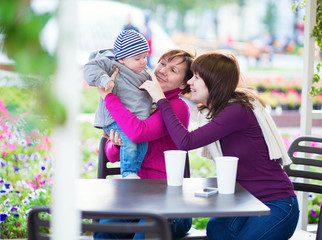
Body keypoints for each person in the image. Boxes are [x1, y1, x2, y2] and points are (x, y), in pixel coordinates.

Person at [140, 50, 300, 240]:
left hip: (276, 203)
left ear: (214, 82)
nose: (190, 82)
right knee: (216, 228)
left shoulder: (237, 111)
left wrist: (161, 99)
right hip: (244, 201)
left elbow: (186, 141)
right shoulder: (219, 111)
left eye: (197, 78)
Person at [96, 48, 195, 239]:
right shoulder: (139, 100)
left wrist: (109, 97)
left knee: (145, 232)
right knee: (105, 231)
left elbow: (138, 132)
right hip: (136, 198)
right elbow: (112, 155)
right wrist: (116, 144)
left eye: (173, 70)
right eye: (163, 63)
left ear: (184, 83)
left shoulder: (178, 107)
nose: (163, 70)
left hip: (170, 204)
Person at [83, 29, 151, 179]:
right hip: (114, 119)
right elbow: (89, 68)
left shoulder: (144, 72)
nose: (143, 61)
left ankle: (135, 173)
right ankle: (128, 174)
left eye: (145, 56)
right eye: (138, 58)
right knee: (129, 137)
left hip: (134, 120)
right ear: (121, 59)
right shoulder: (112, 65)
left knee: (142, 142)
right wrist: (104, 80)